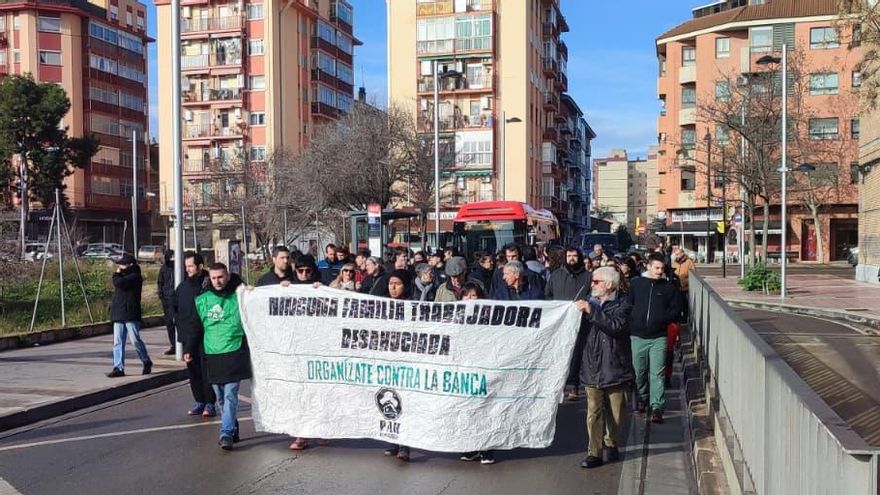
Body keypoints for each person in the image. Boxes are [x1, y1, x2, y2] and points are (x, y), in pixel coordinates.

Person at [576, 267, 634, 468]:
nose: (592, 285)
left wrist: (592, 312)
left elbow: (616, 326)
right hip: (591, 366)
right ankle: (594, 452)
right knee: (593, 412)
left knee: (616, 413)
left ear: (609, 285)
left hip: (615, 366)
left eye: (596, 281)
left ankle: (611, 441)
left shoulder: (623, 303)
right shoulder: (587, 301)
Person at [192, 263, 251, 451]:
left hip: (234, 352)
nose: (217, 281)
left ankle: (226, 433)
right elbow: (195, 326)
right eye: (214, 278)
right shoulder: (202, 299)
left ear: (228, 276)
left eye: (220, 277)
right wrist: (188, 348)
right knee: (220, 398)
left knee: (230, 395)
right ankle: (233, 427)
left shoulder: (240, 296)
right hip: (213, 354)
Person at [627, 253, 681, 423]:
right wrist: (632, 321)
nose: (659, 271)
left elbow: (676, 310)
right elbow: (628, 305)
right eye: (656, 268)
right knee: (639, 371)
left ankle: (657, 406)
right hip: (637, 336)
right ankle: (642, 398)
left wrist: (663, 319)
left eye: (662, 268)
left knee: (657, 373)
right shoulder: (636, 284)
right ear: (648, 266)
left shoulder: (669, 288)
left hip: (659, 336)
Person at [456, 281, 496, 465]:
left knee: (485, 408)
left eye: (473, 295)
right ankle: (471, 447)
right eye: (466, 295)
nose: (470, 299)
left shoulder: (490, 316)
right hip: (464, 369)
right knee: (467, 409)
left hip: (484, 367)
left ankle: (487, 449)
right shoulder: (455, 317)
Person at [545, 247, 592, 400]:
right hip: (560, 323)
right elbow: (548, 295)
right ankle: (559, 386)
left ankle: (573, 386)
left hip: (581, 321)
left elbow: (592, 295)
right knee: (559, 354)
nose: (572, 259)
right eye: (569, 256)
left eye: (574, 256)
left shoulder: (588, 276)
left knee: (576, 354)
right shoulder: (556, 275)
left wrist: (584, 304)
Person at [175, 251, 217, 417]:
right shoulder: (182, 287)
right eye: (186, 266)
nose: (188, 269)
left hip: (206, 337)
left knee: (207, 372)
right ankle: (199, 401)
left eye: (191, 266)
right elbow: (176, 309)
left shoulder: (208, 285)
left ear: (200, 266)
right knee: (193, 372)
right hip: (188, 337)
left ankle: (210, 403)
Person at [384, 269, 415, 462]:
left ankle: (405, 445)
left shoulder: (414, 306)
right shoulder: (381, 305)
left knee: (405, 402)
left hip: (406, 361)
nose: (393, 287)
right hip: (388, 361)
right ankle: (392, 441)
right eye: (390, 284)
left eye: (397, 284)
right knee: (388, 398)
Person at [107, 254, 152, 378]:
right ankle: (118, 367)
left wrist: (116, 274)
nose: (120, 267)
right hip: (119, 312)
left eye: (122, 264)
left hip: (131, 313)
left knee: (135, 340)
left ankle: (146, 360)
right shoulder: (123, 276)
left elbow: (120, 283)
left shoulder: (135, 276)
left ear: (130, 265)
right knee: (118, 341)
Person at [157, 249, 177, 355]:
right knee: (169, 323)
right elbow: (160, 282)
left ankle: (182, 345)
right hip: (167, 299)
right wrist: (161, 295)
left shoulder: (180, 267)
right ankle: (174, 345)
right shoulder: (164, 268)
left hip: (177, 298)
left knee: (179, 322)